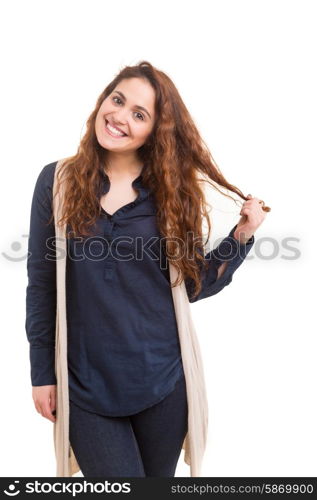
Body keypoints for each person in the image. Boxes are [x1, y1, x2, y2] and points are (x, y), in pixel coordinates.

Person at [25, 60, 269, 477]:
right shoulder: (57, 181)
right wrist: (42, 372)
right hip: (85, 385)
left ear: (155, 131)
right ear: (103, 99)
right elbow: (42, 284)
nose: (120, 117)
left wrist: (241, 237)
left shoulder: (172, 193)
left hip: (163, 384)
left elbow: (191, 286)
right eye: (117, 100)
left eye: (139, 114)